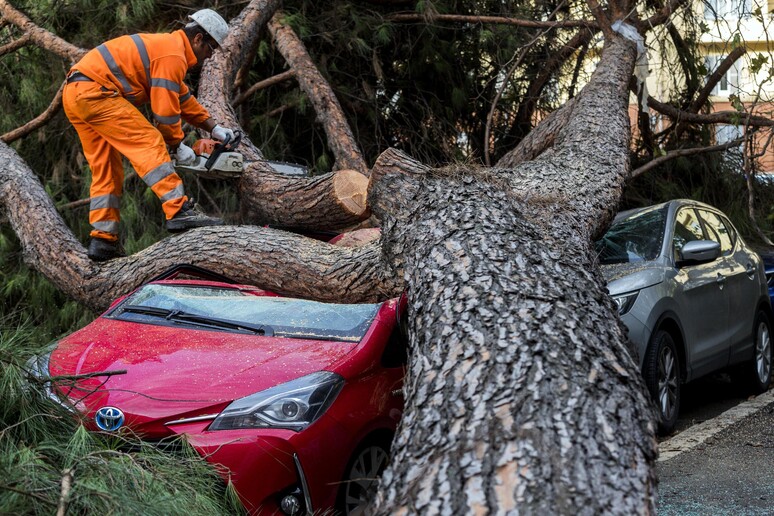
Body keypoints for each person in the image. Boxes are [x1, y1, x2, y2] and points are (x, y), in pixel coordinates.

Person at [63, 8, 236, 261]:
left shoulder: (169, 50)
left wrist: (213, 127)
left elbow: (182, 97)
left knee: (107, 169)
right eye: (210, 48)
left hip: (76, 94)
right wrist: (177, 145)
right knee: (149, 140)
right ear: (198, 39)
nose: (209, 56)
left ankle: (102, 240)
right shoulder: (172, 54)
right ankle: (178, 211)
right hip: (95, 92)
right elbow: (165, 112)